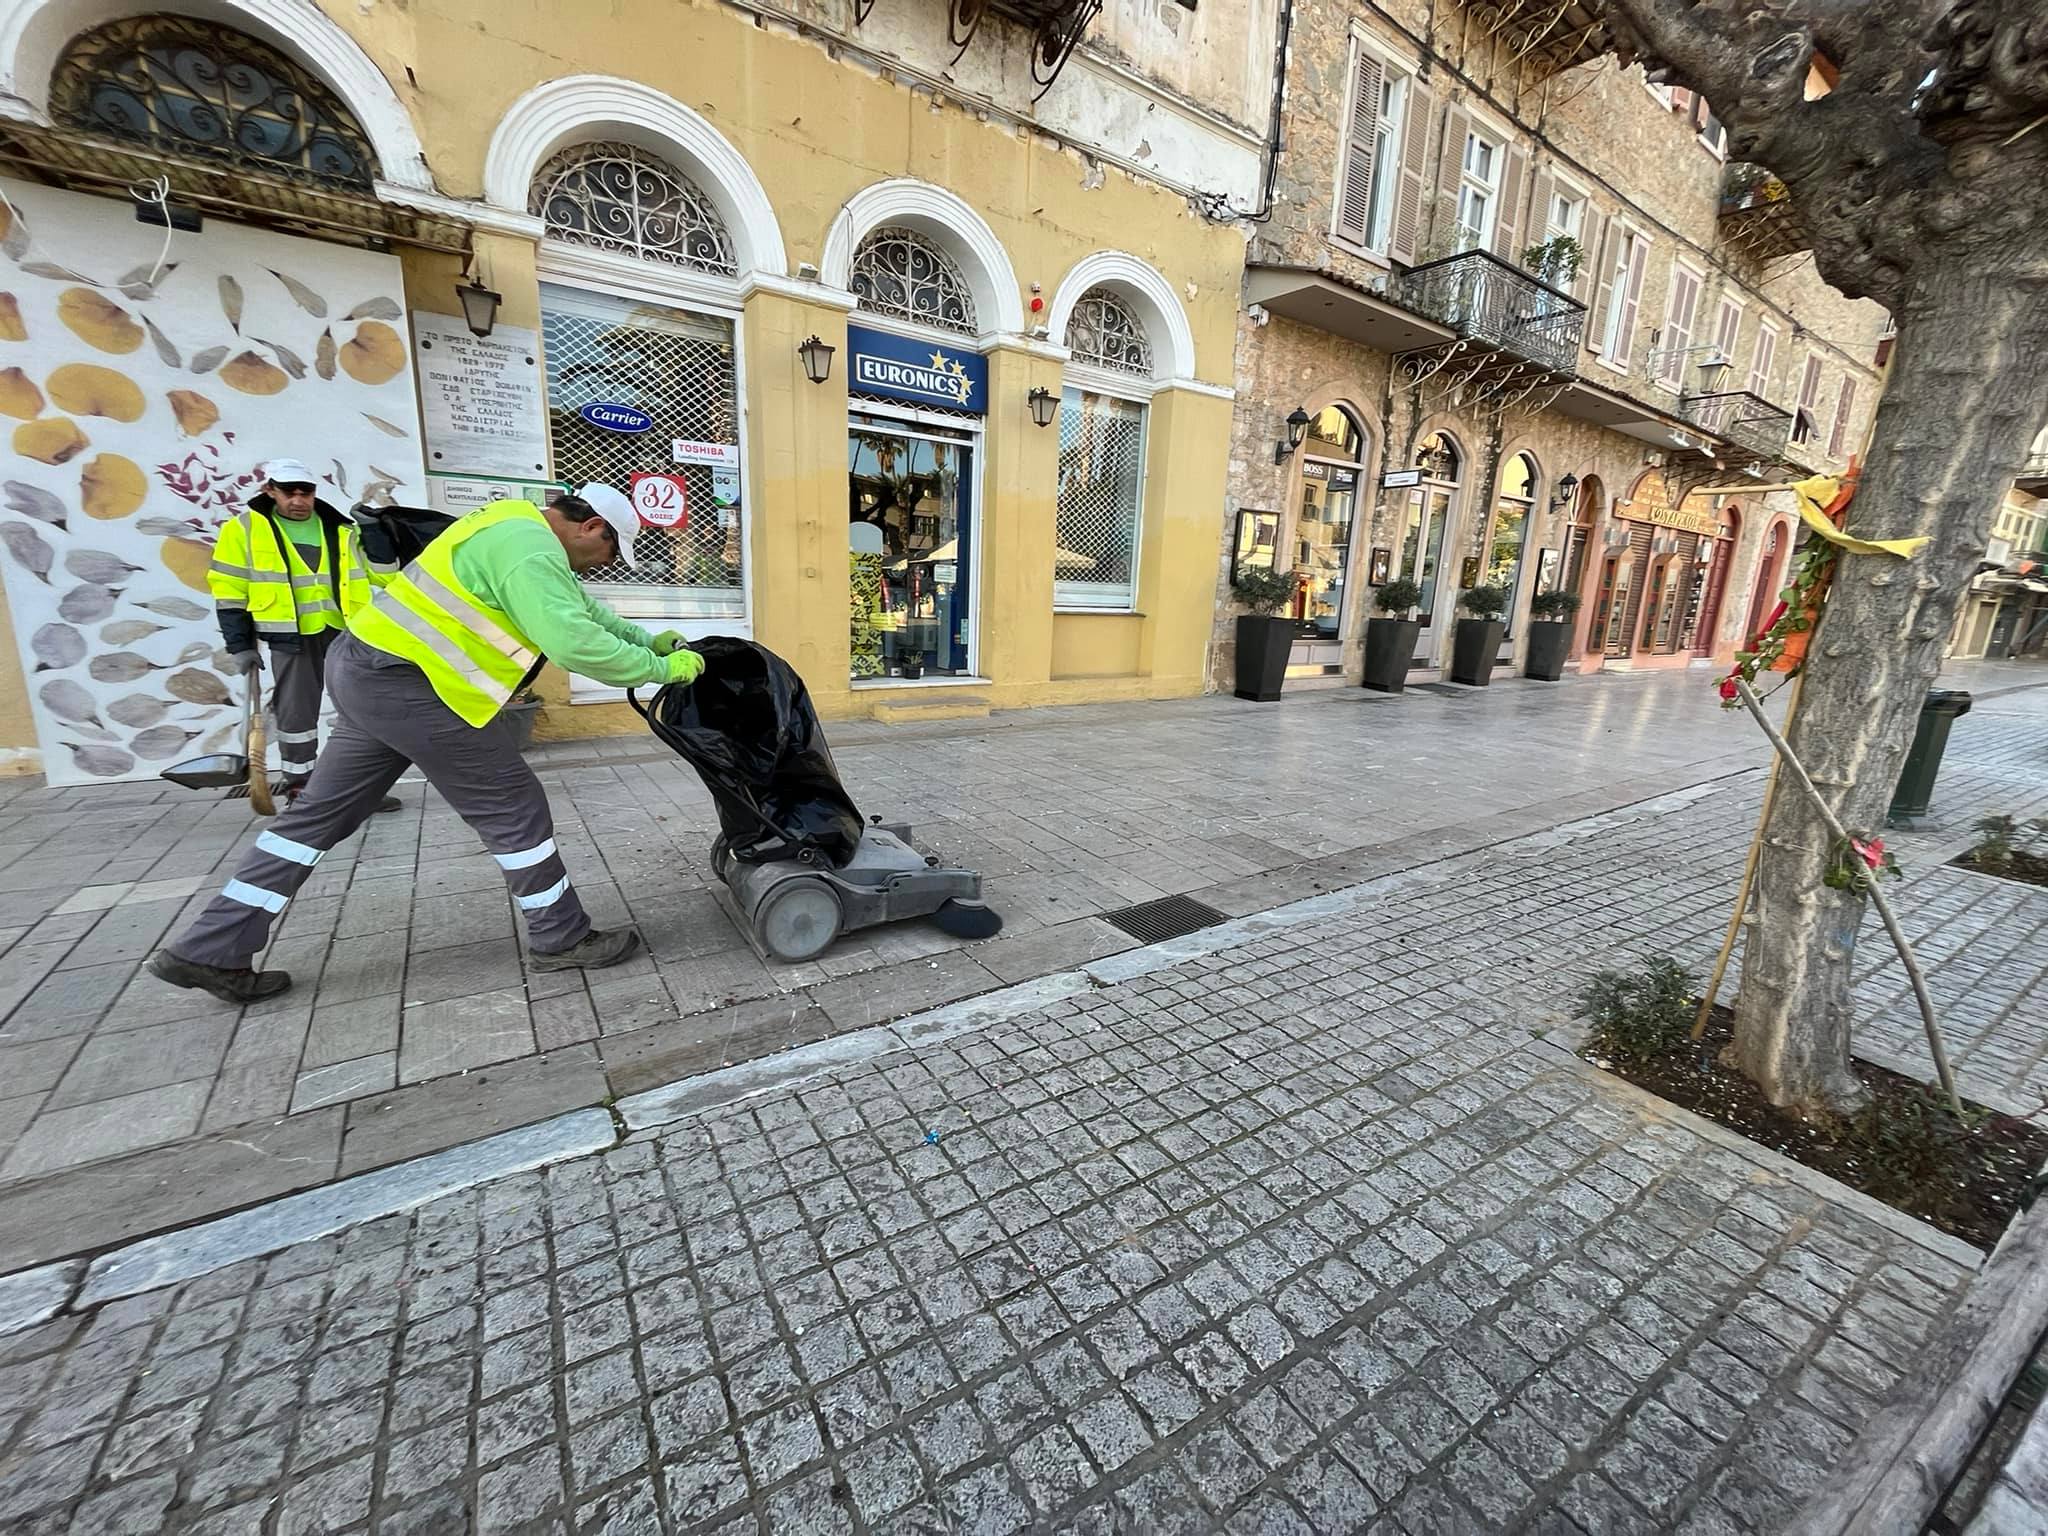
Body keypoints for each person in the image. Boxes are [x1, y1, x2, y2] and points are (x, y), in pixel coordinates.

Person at [149, 486, 705, 1003]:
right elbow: (575, 642)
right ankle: (560, 936)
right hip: (411, 685)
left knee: (316, 818)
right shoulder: (532, 554)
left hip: (367, 668)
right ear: (593, 527)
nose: (604, 566)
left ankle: (208, 949)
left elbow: (578, 608)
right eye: (610, 553)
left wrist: (645, 637)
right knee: (514, 805)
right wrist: (665, 668)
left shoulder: (513, 522)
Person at [210, 459, 401, 811]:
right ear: (270, 490)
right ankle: (303, 788)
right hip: (290, 638)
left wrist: (375, 535)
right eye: (288, 492)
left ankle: (360, 788)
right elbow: (229, 588)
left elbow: (384, 576)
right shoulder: (245, 529)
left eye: (306, 492)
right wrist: (239, 645)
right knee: (297, 716)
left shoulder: (342, 528)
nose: (298, 500)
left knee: (363, 711)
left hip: (344, 632)